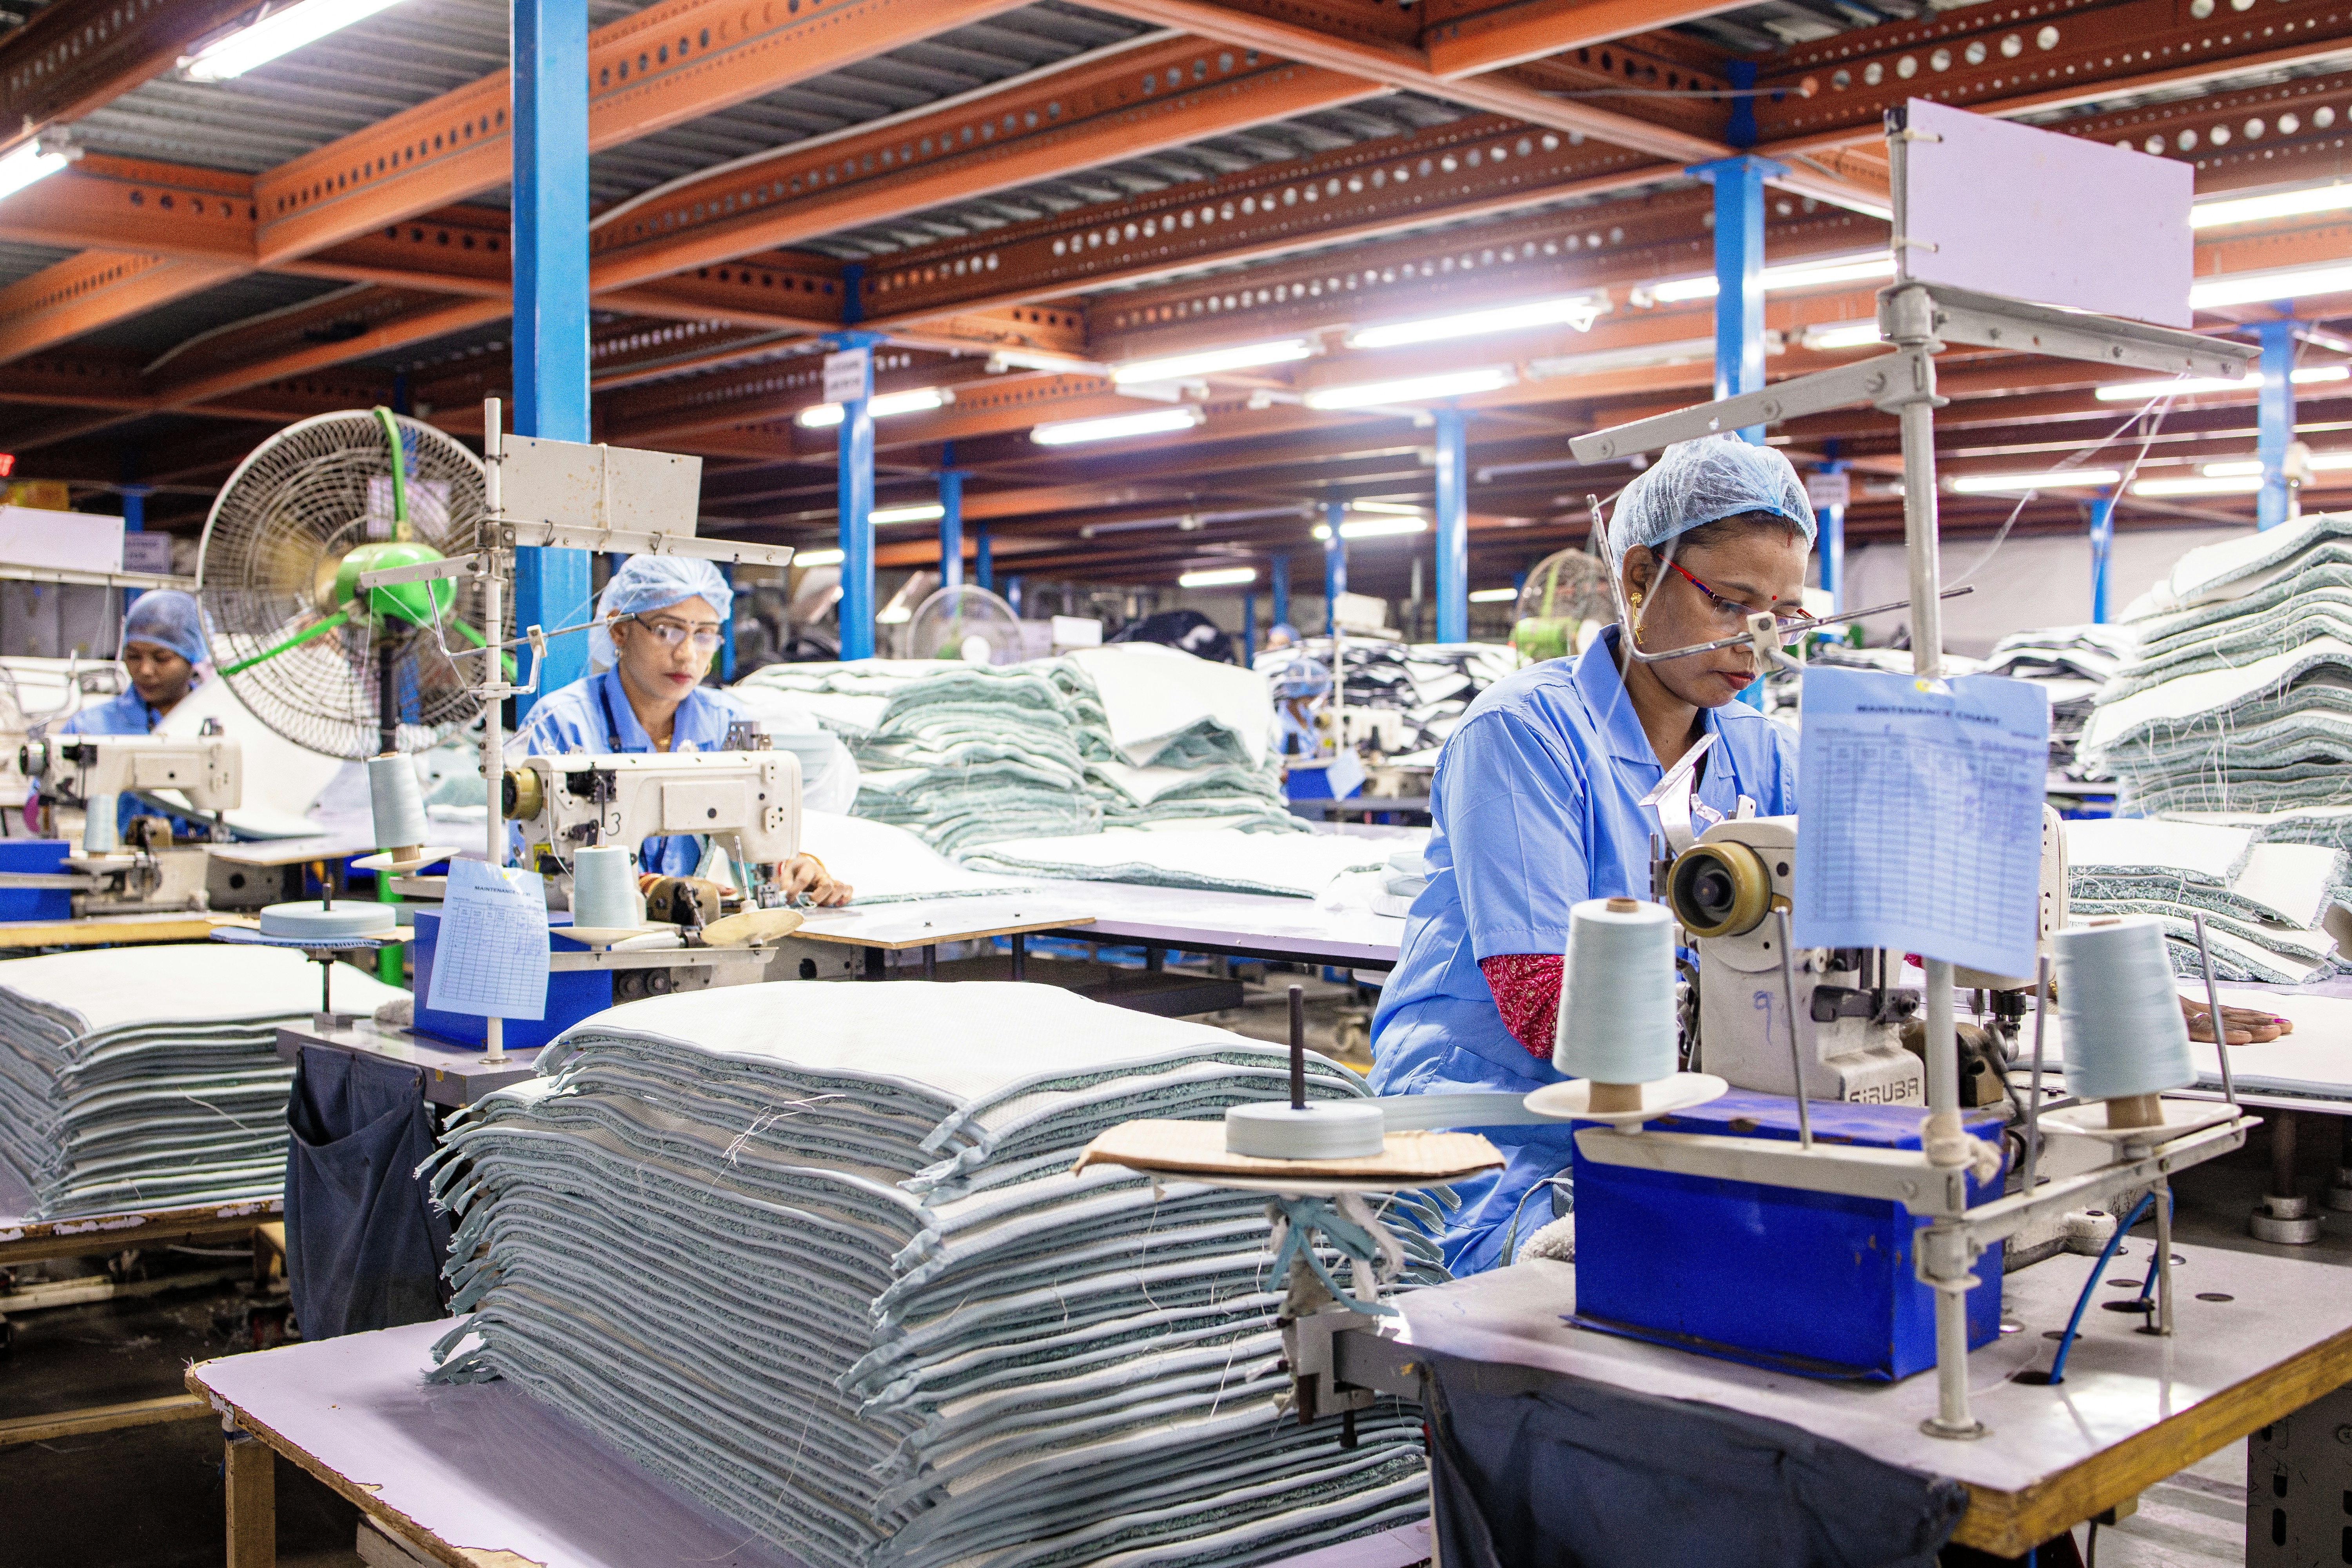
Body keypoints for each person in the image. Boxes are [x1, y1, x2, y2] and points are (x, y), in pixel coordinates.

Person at [1367, 436, 2288, 1276]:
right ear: (1639, 573)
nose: (1758, 643)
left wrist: (2077, 984)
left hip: (1688, 1102)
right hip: (1501, 1126)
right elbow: (1544, 1004)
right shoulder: (1521, 736)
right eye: (1730, 603)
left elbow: (1896, 908)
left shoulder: (1762, 750)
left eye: (1784, 614)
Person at [510, 555, 854, 905]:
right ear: (619, 630)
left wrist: (791, 868)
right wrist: (648, 887)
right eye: (667, 631)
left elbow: (752, 840)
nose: (687, 655)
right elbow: (537, 859)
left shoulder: (727, 721)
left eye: (704, 635)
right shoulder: (562, 724)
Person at [64, 589, 207, 736]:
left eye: (162, 658)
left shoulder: (222, 722)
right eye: (134, 657)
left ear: (193, 657)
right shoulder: (88, 728)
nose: (145, 670)